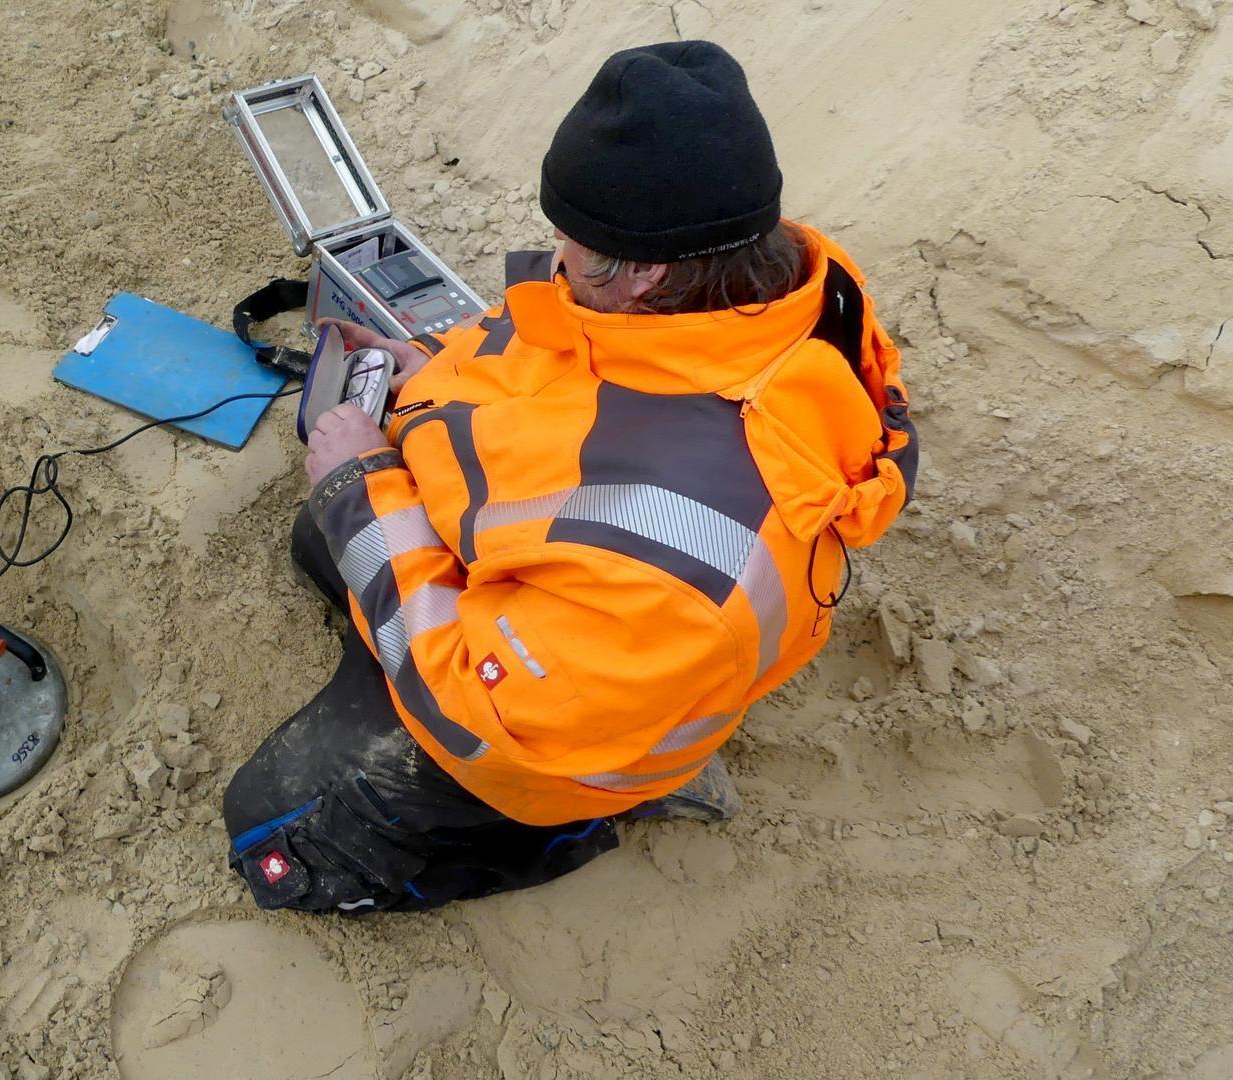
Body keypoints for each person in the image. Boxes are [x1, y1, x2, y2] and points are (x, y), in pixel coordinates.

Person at [221, 40, 918, 914]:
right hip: (584, 615)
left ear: (647, 273)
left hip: (568, 724)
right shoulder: (754, 292)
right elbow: (547, 357)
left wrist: (360, 486)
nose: (556, 254)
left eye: (573, 244)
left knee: (271, 837)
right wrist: (422, 366)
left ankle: (586, 817)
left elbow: (481, 718)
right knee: (320, 541)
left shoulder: (676, 556)